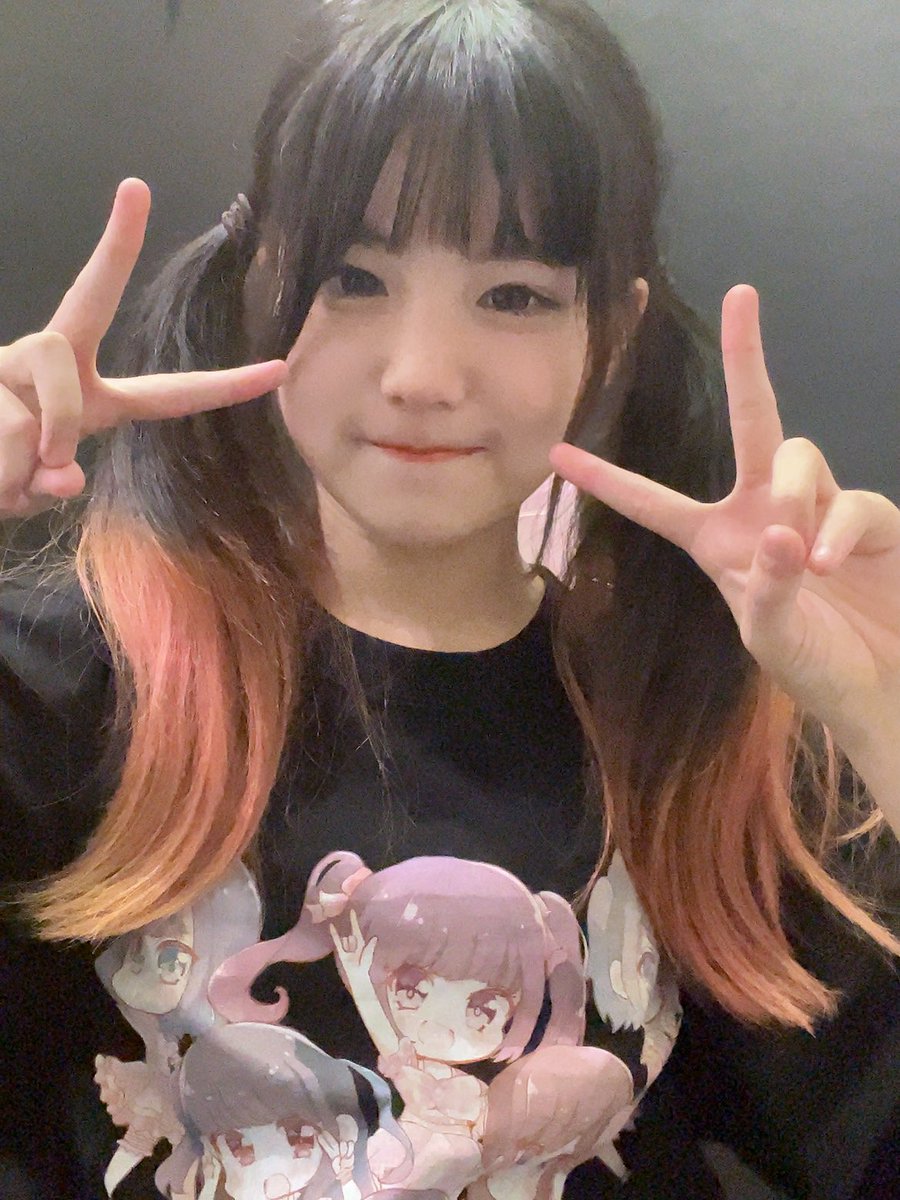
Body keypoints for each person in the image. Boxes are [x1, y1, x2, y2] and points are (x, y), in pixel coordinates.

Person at [0, 1, 897, 1197]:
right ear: (261, 287)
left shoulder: (694, 722)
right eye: (352, 277)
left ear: (611, 335)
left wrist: (886, 726)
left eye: (515, 294)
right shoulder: (77, 682)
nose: (421, 374)